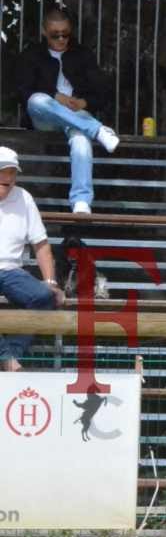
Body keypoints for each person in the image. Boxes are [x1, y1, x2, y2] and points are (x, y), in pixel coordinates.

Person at [14, 6, 119, 214]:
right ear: (45, 32)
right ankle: (97, 130)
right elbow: (22, 92)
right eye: (55, 35)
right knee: (37, 100)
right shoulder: (32, 54)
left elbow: (102, 92)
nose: (61, 39)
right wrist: (55, 96)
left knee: (81, 140)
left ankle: (81, 201)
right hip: (46, 116)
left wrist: (84, 103)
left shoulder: (82, 54)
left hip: (76, 116)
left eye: (66, 34)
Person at [0, 147, 67, 371]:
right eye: (3, 171)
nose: (8, 177)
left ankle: (10, 355)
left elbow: (41, 244)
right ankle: (8, 360)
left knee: (45, 297)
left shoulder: (24, 198)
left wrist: (50, 282)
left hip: (11, 271)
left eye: (12, 172)